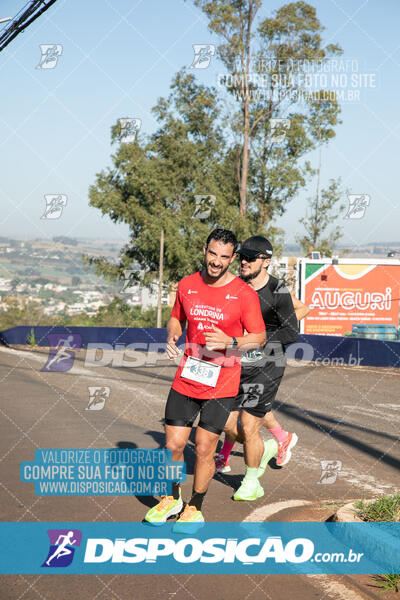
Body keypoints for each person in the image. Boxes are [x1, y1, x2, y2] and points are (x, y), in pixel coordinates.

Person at [144, 229, 266, 528]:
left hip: (222, 381)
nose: (216, 262)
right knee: (173, 445)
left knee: (203, 447)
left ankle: (194, 506)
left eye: (224, 257)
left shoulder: (243, 294)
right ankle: (172, 500)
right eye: (213, 254)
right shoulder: (187, 284)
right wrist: (173, 331)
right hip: (188, 376)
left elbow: (260, 338)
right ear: (205, 250)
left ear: (233, 258)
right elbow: (177, 316)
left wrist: (231, 340)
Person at [214, 236, 309, 501]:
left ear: (266, 262)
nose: (244, 261)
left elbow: (291, 332)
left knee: (250, 423)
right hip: (237, 362)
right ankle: (267, 448)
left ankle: (251, 481)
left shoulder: (278, 290)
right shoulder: (235, 286)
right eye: (242, 256)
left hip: (267, 365)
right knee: (228, 424)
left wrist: (257, 338)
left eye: (251, 258)